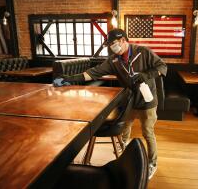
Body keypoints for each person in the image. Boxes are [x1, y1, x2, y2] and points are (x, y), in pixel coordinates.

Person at [53, 28, 167, 179]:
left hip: (147, 100)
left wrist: (146, 75)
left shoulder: (143, 52)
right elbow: (94, 72)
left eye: (113, 44)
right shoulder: (114, 60)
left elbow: (162, 67)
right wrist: (70, 79)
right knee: (125, 127)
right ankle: (123, 151)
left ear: (123, 40)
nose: (111, 47)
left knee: (148, 132)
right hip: (130, 99)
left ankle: (152, 163)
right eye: (109, 45)